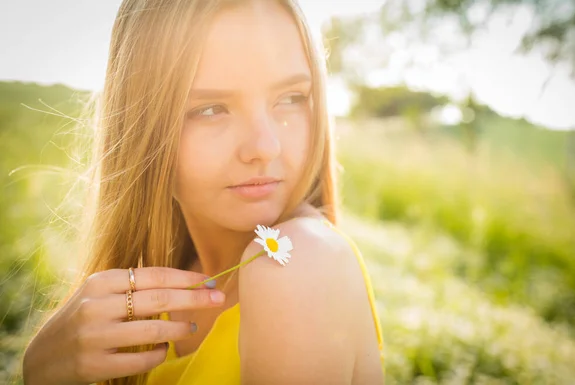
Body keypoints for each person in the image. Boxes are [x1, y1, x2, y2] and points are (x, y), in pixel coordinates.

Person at [22, 0, 385, 384]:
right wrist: (40, 371)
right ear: (141, 126)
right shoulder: (142, 299)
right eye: (211, 109)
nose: (265, 146)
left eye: (291, 98)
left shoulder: (295, 265)